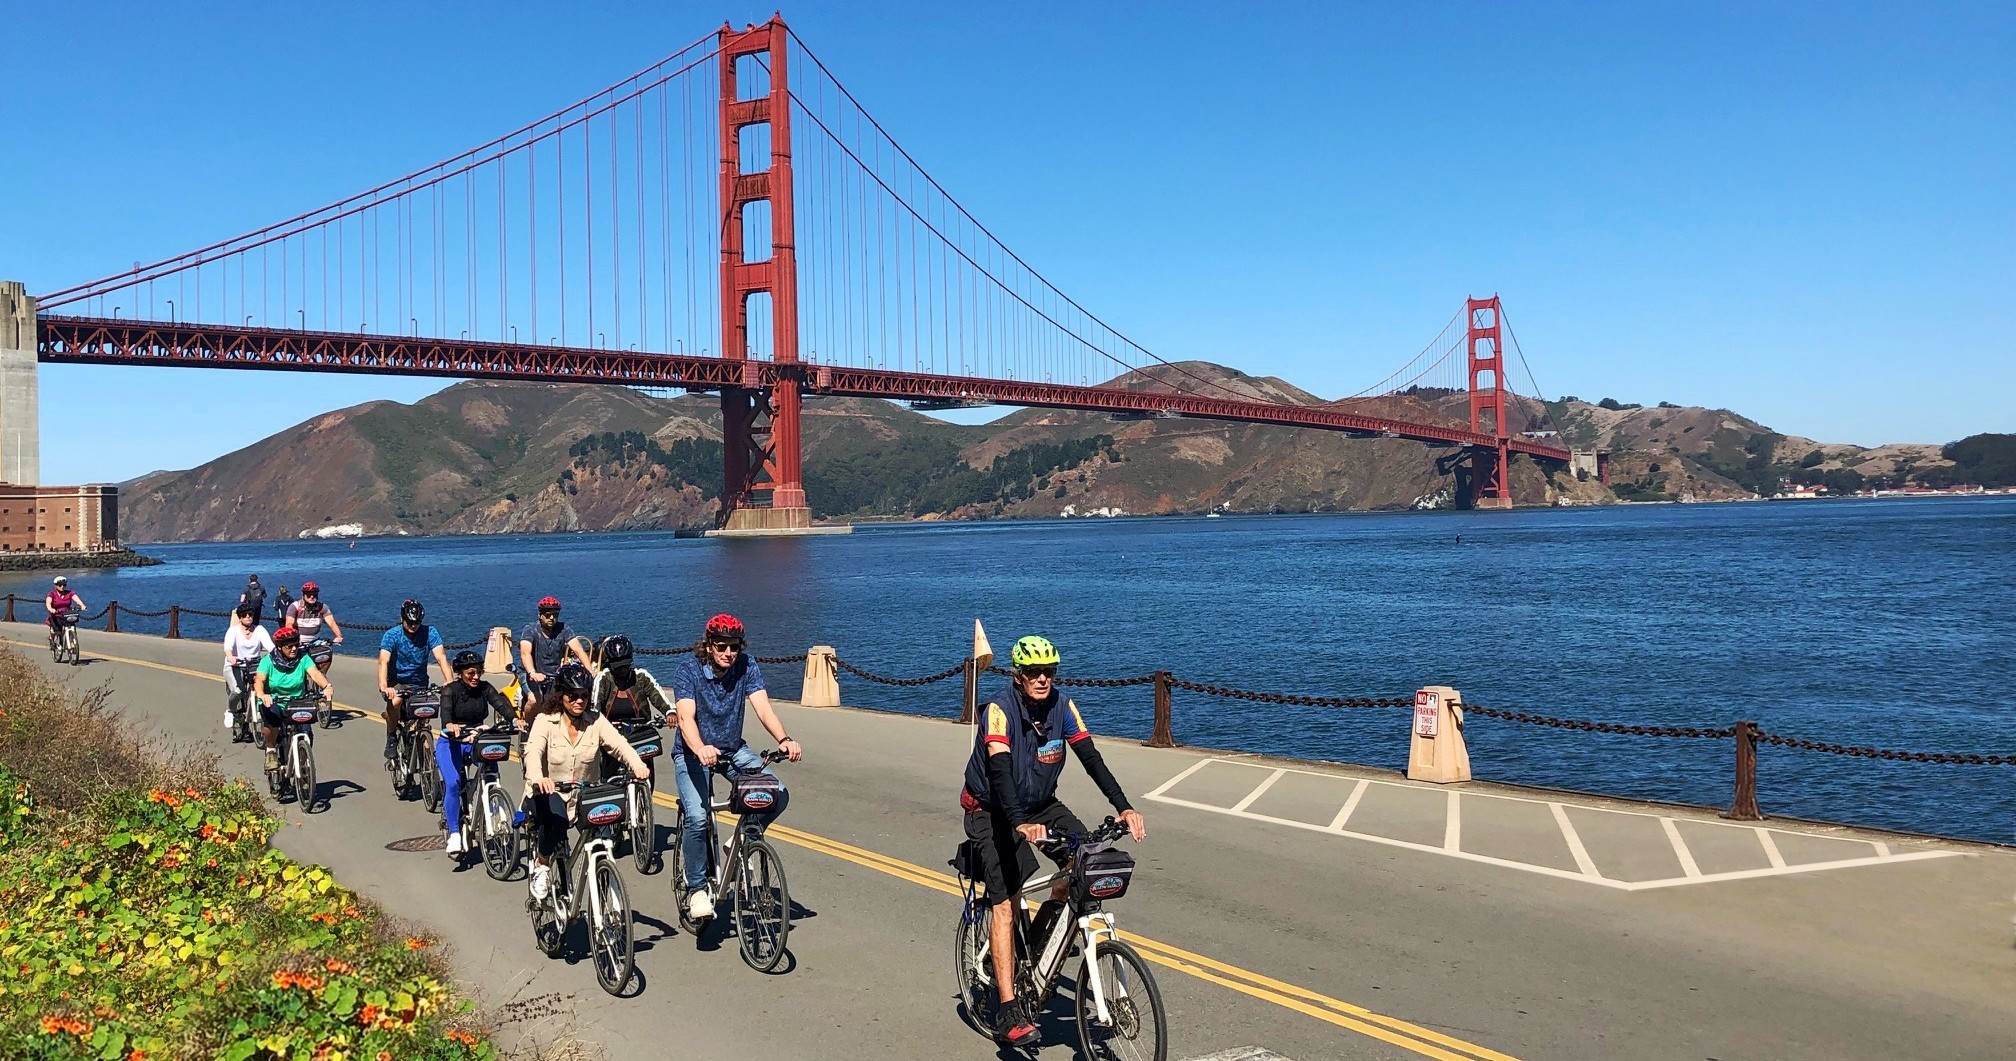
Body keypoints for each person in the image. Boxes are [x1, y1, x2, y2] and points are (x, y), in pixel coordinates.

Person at [959, 635, 1147, 1047]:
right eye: (1034, 672)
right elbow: (1001, 770)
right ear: (1018, 674)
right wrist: (1020, 823)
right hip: (991, 809)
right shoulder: (999, 710)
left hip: (1041, 803)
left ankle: (1042, 938)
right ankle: (1008, 1007)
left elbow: (1091, 758)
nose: (1043, 679)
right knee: (1005, 902)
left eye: (1049, 671)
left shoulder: (1063, 706)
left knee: (1084, 863)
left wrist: (1124, 806)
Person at [669, 613, 803, 921]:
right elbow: (686, 717)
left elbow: (762, 705)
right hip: (693, 753)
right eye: (721, 646)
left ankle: (740, 840)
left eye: (734, 647)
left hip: (732, 749)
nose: (729, 653)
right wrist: (700, 747)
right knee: (698, 816)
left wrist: (783, 738)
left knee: (777, 794)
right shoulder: (688, 671)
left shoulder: (747, 665)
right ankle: (697, 890)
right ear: (709, 645)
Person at [522, 661, 649, 901]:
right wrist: (539, 779)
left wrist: (637, 765)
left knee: (604, 838)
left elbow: (619, 744)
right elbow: (533, 753)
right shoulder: (545, 721)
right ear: (561, 696)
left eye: (583, 695)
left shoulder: (595, 720)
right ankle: (543, 863)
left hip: (585, 795)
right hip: (549, 794)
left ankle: (605, 892)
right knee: (556, 820)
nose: (579, 701)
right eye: (572, 695)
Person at [437, 649, 514, 855]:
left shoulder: (485, 688)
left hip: (474, 740)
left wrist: (515, 719)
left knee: (491, 767)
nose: (476, 677)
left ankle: (495, 809)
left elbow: (500, 704)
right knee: (453, 784)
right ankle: (454, 834)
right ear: (460, 673)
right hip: (451, 743)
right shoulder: (450, 691)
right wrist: (450, 725)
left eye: (479, 672)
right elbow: (445, 714)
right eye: (471, 673)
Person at [377, 599, 453, 762]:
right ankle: (391, 737)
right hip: (397, 681)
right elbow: (384, 661)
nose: (413, 626)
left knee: (425, 718)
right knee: (395, 701)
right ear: (403, 619)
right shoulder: (392, 635)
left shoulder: (430, 632)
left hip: (419, 683)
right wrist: (384, 686)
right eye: (410, 622)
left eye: (417, 623)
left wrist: (449, 681)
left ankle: (428, 767)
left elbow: (441, 657)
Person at [253, 625, 333, 775]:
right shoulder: (268, 661)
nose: (294, 649)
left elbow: (315, 673)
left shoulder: (303, 658)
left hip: (298, 701)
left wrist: (326, 686)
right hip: (274, 701)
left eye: (296, 645)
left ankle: (302, 764)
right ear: (280, 647)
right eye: (289, 646)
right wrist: (262, 694)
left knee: (307, 732)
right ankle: (270, 751)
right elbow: (259, 680)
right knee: (272, 721)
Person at [517, 596, 594, 697]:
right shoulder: (530, 630)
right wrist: (532, 672)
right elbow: (525, 652)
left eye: (555, 615)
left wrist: (589, 670)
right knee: (534, 699)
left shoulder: (563, 629)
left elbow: (578, 650)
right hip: (529, 674)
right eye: (548, 615)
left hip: (554, 674)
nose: (552, 618)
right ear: (540, 615)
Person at [221, 604, 273, 735]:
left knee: (265, 687)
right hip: (235, 665)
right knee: (238, 691)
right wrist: (230, 656)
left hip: (254, 664)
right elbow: (228, 646)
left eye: (250, 615)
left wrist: (277, 656)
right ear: (240, 618)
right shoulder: (233, 631)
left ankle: (262, 714)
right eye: (245, 615)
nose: (248, 617)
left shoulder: (259, 630)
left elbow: (270, 646)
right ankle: (230, 711)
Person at [284, 581, 344, 669]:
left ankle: (320, 678)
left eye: (314, 595)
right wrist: (294, 640)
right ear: (303, 595)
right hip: (298, 642)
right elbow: (289, 624)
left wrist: (338, 635)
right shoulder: (295, 607)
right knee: (295, 667)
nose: (312, 597)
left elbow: (331, 622)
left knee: (327, 655)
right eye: (309, 595)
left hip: (315, 642)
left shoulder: (322, 608)